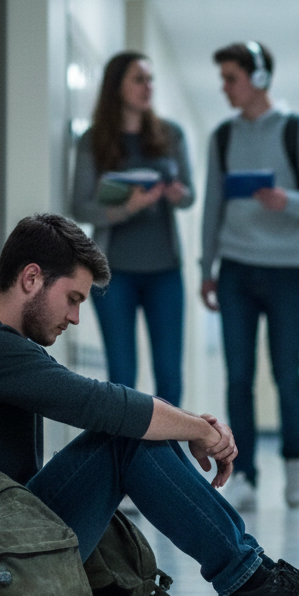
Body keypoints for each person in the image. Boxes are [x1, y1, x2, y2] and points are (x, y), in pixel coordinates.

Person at [0, 214, 299, 596]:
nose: (75, 317)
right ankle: (247, 578)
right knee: (125, 438)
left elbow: (114, 405)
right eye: (72, 299)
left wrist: (190, 423)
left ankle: (251, 571)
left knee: (132, 428)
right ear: (31, 278)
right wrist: (198, 429)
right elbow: (104, 405)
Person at [200, 42, 299, 511]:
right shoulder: (222, 137)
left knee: (286, 372)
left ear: (259, 78)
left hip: (288, 268)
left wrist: (287, 201)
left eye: (232, 78)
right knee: (239, 376)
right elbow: (213, 207)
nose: (225, 88)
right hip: (236, 268)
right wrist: (206, 269)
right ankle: (244, 474)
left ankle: (294, 461)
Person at [71, 52, 192, 404]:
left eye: (150, 79)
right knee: (122, 374)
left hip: (165, 270)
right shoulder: (93, 140)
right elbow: (80, 206)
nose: (147, 87)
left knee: (169, 375)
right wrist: (128, 207)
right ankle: (125, 442)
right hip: (114, 275)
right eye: (139, 79)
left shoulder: (171, 135)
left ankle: (169, 441)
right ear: (117, 86)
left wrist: (177, 194)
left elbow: (190, 196)